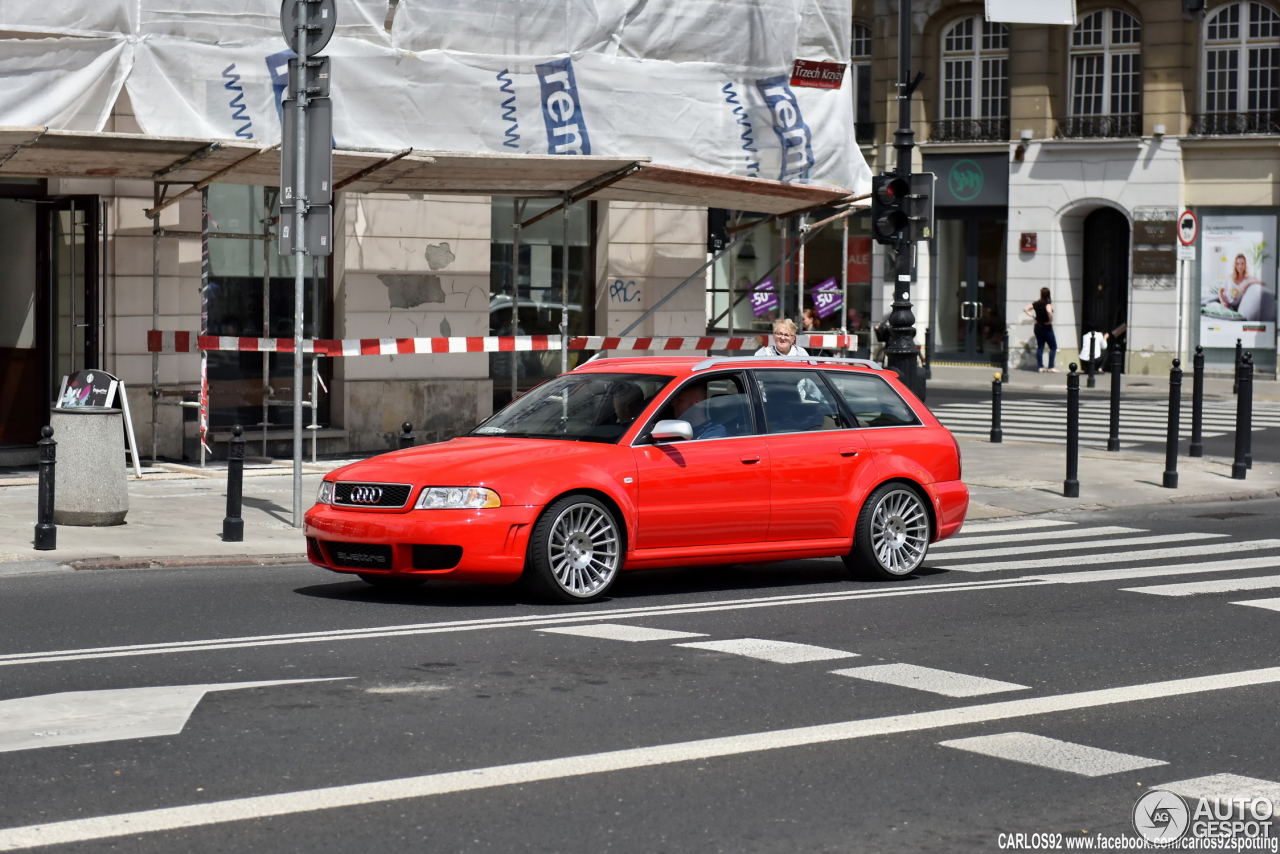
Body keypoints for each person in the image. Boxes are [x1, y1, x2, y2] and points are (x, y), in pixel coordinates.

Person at [1206, 254, 1278, 322]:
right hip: (1223, 301)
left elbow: (1264, 282)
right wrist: (1223, 302)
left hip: (1234, 307)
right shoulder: (1230, 277)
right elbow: (1220, 290)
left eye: (1242, 263)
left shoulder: (1248, 278)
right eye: (1238, 264)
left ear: (1245, 265)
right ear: (1235, 265)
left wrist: (1247, 283)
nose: (1240, 266)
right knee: (1206, 300)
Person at [1023, 287, 1057, 373]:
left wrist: (1033, 316)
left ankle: (1040, 367)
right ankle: (1051, 367)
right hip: (1046, 327)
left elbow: (1025, 309)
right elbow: (1049, 311)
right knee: (1053, 347)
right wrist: (1050, 320)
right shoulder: (1048, 304)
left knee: (1040, 347)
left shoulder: (1036, 303)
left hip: (1038, 327)